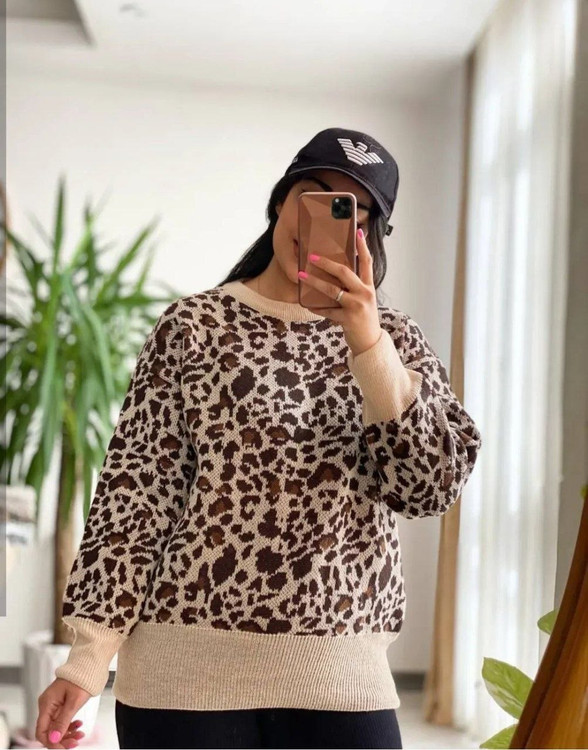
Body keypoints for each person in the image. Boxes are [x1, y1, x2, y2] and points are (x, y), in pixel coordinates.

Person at [35, 127, 482, 749]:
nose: (325, 219)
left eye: (351, 210)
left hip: (341, 673)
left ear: (370, 235)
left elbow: (429, 486)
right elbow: (136, 495)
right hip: (180, 675)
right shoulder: (193, 326)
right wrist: (86, 661)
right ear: (280, 200)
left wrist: (367, 344)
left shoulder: (394, 340)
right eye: (313, 195)